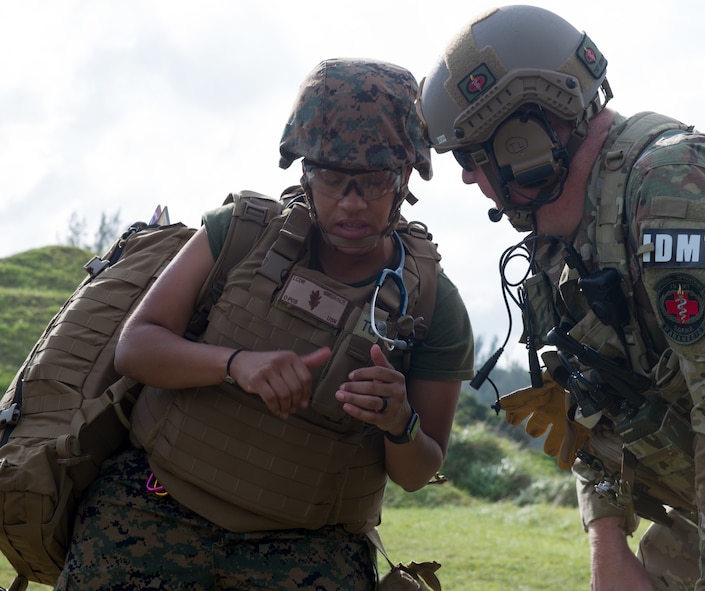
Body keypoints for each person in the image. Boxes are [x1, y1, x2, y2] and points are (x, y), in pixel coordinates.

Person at [417, 5, 705, 591]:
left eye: (470, 155)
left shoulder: (674, 193)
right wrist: (607, 544)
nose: (466, 178)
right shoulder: (562, 244)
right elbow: (589, 407)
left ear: (523, 139)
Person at [54, 57, 474, 590]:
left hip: (308, 550)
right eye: (330, 177)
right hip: (153, 508)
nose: (350, 202)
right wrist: (235, 365)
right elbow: (136, 346)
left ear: (405, 177)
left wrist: (399, 422)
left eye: (372, 181)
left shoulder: (433, 302)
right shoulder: (241, 234)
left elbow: (417, 472)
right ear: (305, 170)